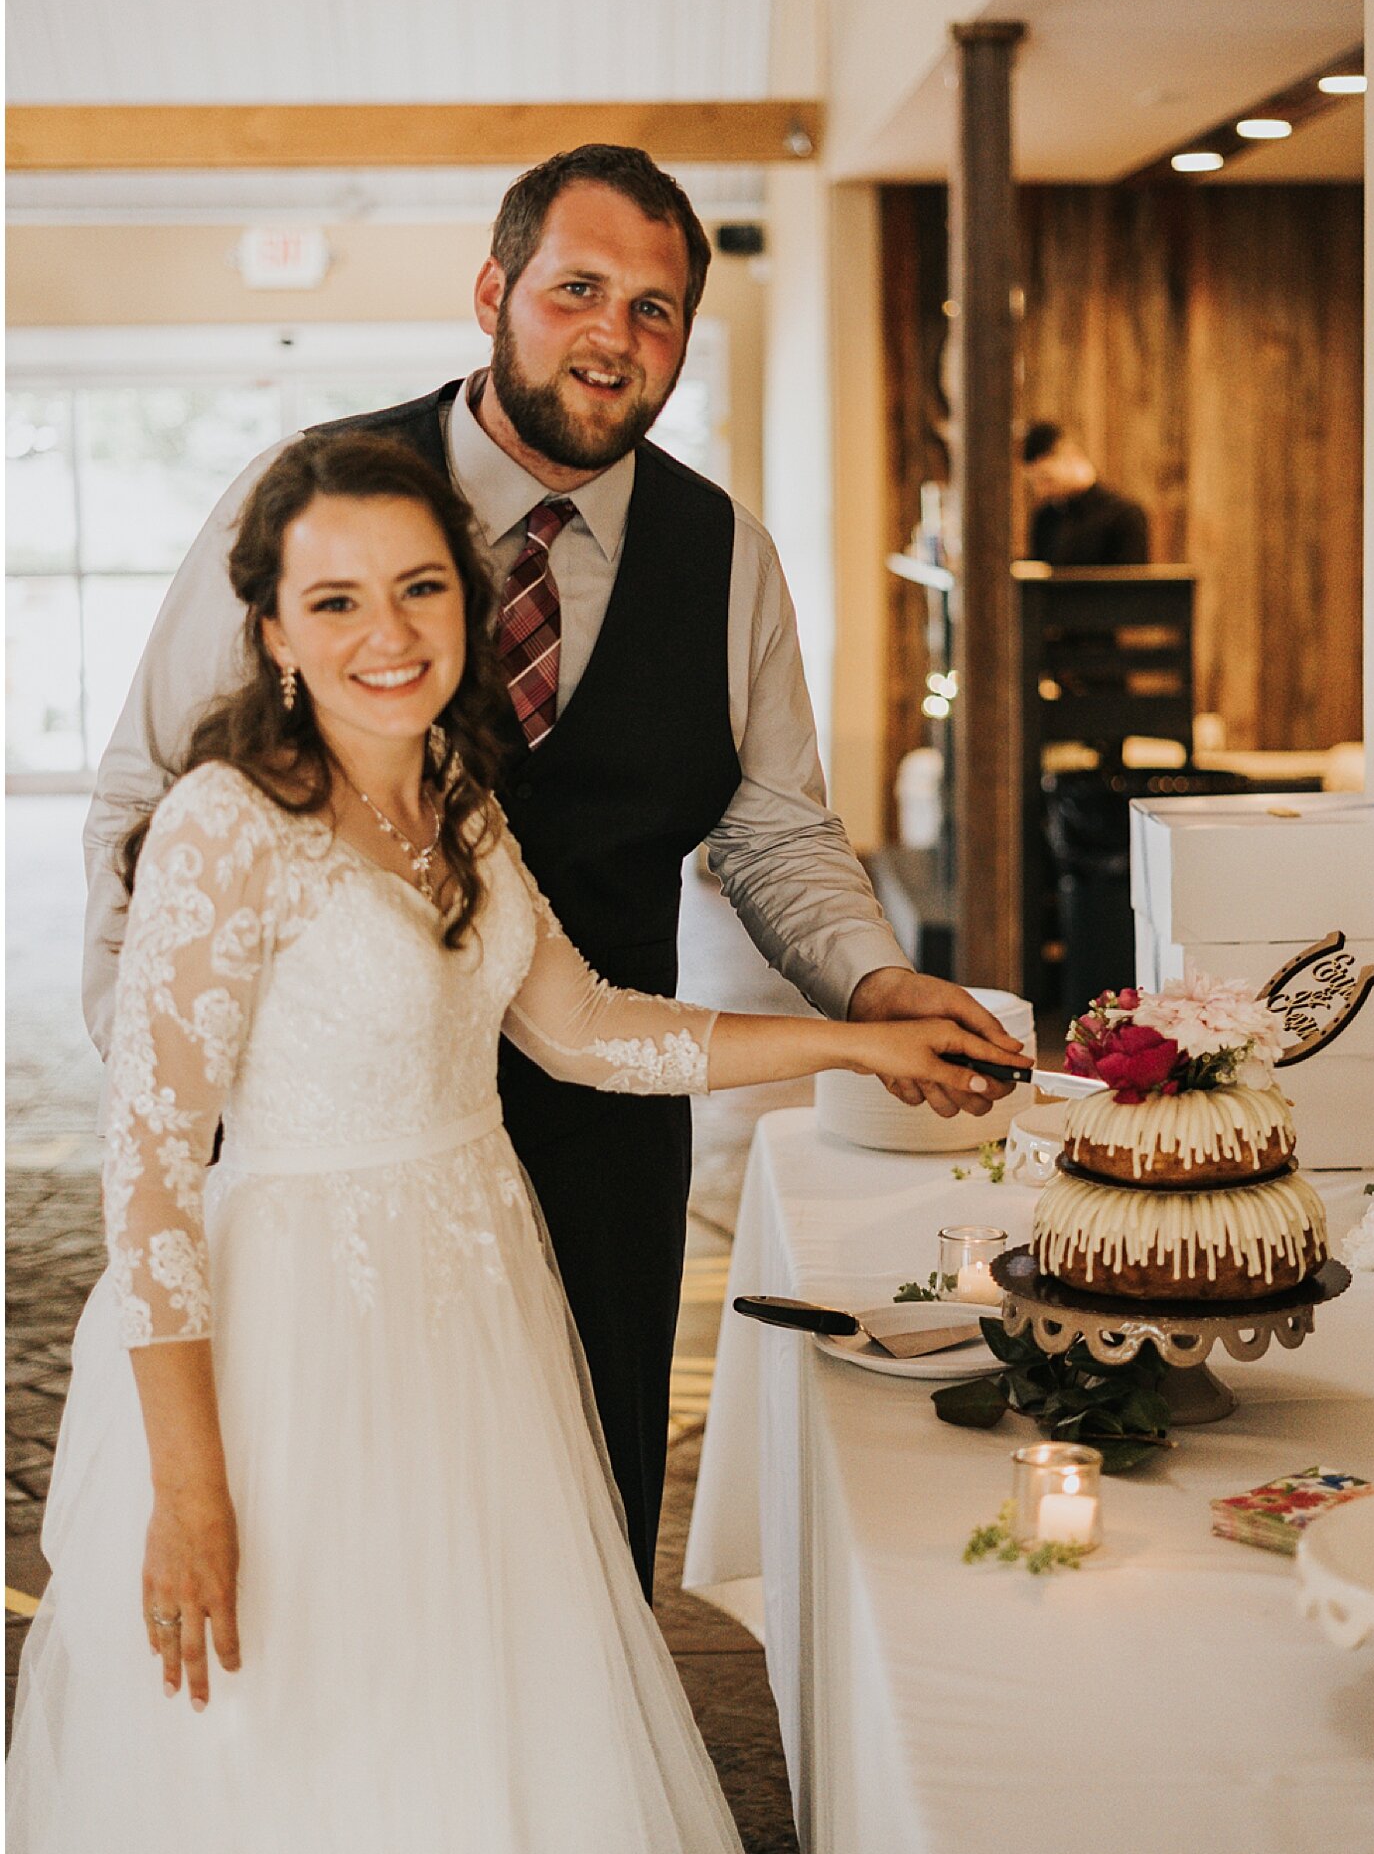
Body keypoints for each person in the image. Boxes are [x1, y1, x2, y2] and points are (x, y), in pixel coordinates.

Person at [9, 436, 1017, 1854]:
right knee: (310, 1713)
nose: (389, 633)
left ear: (471, 614)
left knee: (475, 1693)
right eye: (337, 601)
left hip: (473, 1306)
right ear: (274, 630)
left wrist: (853, 1046)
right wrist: (190, 1488)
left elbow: (589, 1031)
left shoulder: (459, 803)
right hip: (297, 1343)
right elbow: (151, 1181)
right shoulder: (227, 828)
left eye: (420, 588)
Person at [83, 143, 1026, 1594]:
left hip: (603, 1129)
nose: (613, 334)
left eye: (655, 310)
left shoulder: (727, 559)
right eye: (577, 288)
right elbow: (147, 798)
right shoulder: (313, 507)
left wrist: (876, 984)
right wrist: (171, 1087)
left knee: (571, 1541)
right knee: (316, 1551)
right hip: (308, 1148)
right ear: (492, 292)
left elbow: (772, 830)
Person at [1021, 421, 1150, 565]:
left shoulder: (1125, 515)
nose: (1040, 491)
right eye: (1034, 483)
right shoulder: (1045, 518)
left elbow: (1131, 585)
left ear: (1071, 456)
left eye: (1046, 479)